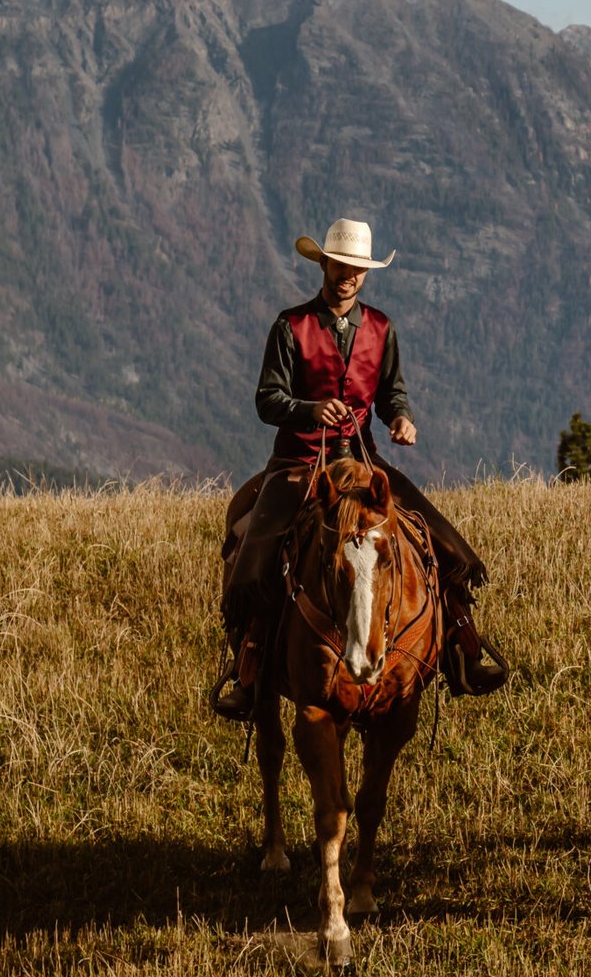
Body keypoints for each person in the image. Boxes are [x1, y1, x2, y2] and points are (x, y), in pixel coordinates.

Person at [212, 217, 507, 717]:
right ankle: (249, 670)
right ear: (324, 265)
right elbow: (267, 400)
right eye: (341, 266)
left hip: (363, 460)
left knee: (442, 542)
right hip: (299, 462)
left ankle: (464, 648)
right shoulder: (290, 326)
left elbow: (392, 392)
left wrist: (401, 418)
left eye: (357, 269)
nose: (348, 276)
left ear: (366, 274)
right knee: (255, 560)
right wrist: (309, 409)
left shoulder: (382, 328)